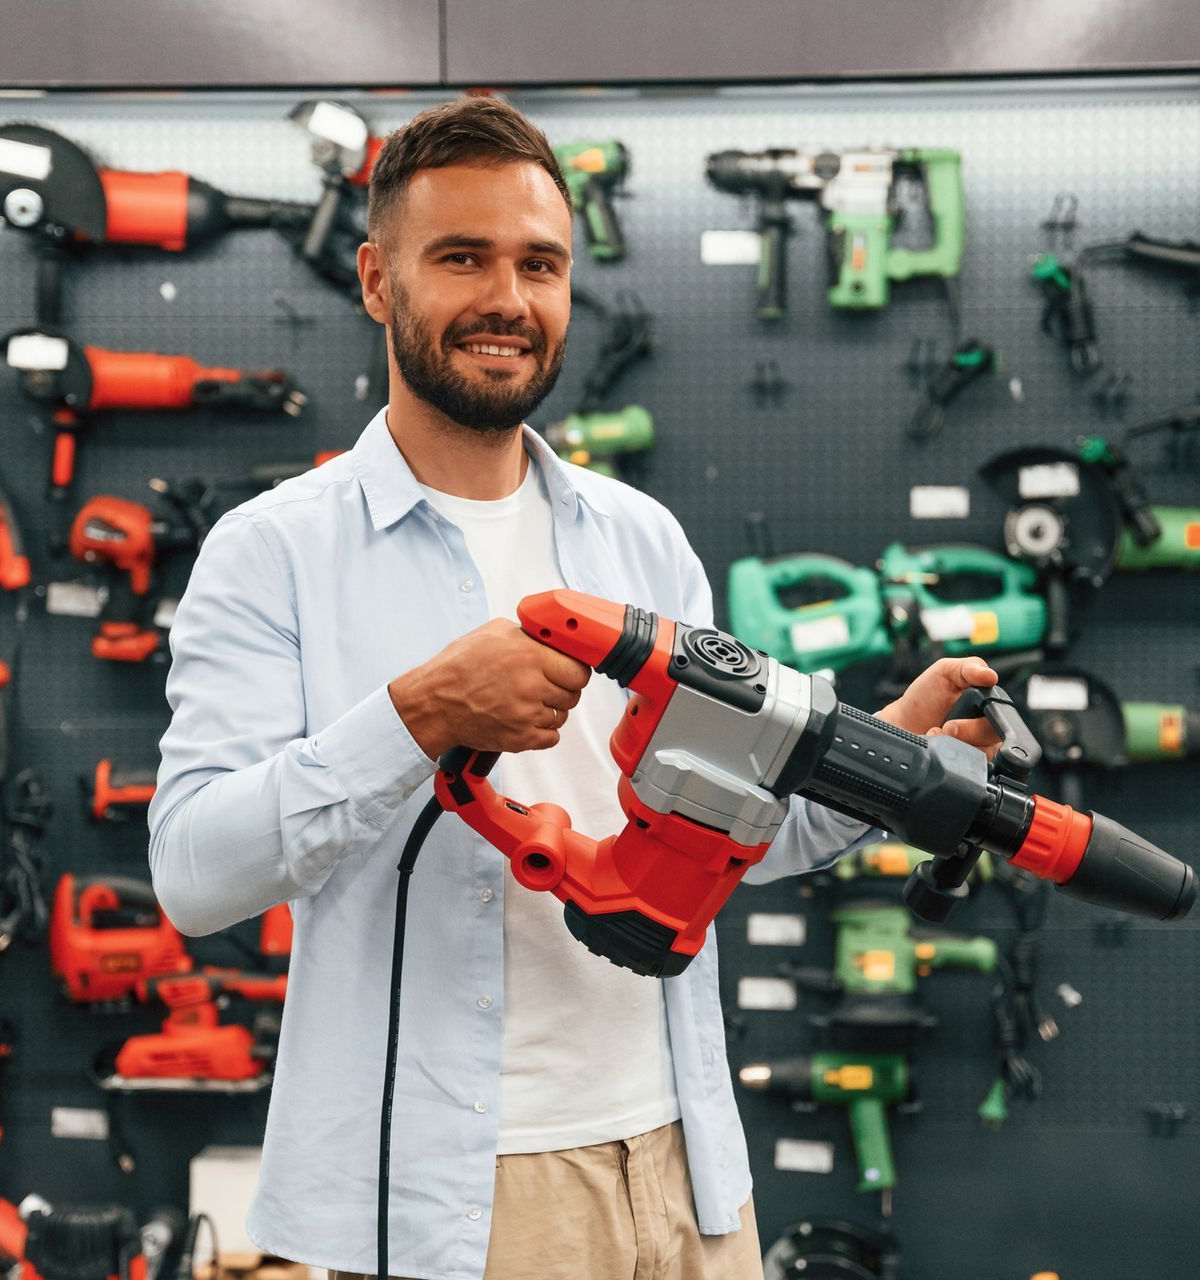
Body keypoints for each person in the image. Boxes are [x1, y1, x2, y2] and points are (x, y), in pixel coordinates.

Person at [148, 96, 1000, 1280]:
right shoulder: (272, 549)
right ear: (377, 280)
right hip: (460, 1200)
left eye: (539, 264)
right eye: (461, 258)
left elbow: (725, 833)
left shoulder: (641, 540)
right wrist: (419, 713)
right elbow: (194, 876)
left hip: (686, 1169)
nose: (508, 297)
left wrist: (888, 761)